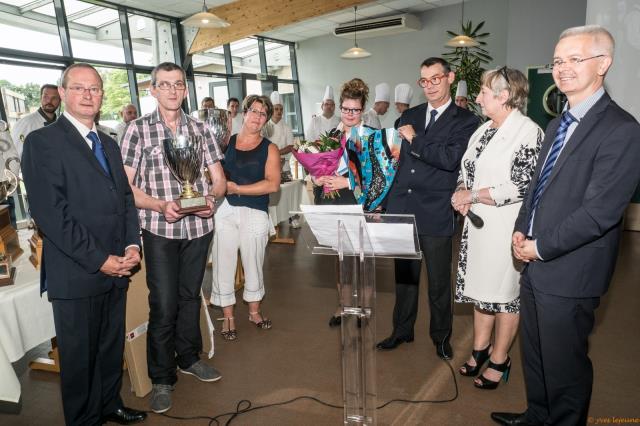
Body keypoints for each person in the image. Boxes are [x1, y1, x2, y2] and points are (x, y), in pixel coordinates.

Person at [491, 25, 640, 426]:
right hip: (536, 261)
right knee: (536, 354)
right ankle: (537, 416)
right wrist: (521, 230)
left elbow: (599, 213)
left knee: (565, 366)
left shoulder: (622, 130)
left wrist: (539, 247)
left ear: (603, 64)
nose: (562, 69)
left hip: (572, 269)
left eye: (575, 59)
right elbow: (537, 188)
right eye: (558, 61)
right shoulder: (558, 124)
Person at [21, 63, 146, 426]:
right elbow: (51, 214)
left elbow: (123, 199)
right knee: (79, 359)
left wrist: (131, 246)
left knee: (110, 348)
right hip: (77, 271)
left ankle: (110, 404)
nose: (89, 95)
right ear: (62, 94)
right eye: (79, 88)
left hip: (117, 266)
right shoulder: (42, 143)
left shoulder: (107, 141)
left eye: (95, 89)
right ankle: (84, 419)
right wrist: (99, 259)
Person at [120, 62, 226, 414]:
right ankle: (162, 377)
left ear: (185, 89)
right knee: (164, 303)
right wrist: (160, 205)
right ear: (152, 90)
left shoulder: (201, 129)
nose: (171, 90)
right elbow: (127, 186)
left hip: (198, 228)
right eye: (163, 85)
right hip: (159, 229)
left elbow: (219, 178)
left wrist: (213, 199)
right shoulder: (137, 131)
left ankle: (189, 357)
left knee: (190, 297)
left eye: (178, 84)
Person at [378, 57, 479, 359]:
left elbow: (450, 159)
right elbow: (397, 160)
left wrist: (414, 138)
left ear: (450, 77)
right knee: (405, 277)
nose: (430, 85)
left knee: (438, 282)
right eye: (424, 80)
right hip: (403, 207)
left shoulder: (466, 121)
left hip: (435, 209)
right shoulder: (409, 115)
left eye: (436, 78)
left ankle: (441, 337)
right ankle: (402, 330)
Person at [450, 67, 542, 390]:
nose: (477, 98)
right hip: (477, 227)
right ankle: (480, 349)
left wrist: (471, 195)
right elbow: (467, 168)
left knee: (505, 296)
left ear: (504, 97)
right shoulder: (484, 129)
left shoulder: (528, 132)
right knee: (482, 292)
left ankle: (500, 359)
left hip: (506, 228)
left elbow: (521, 184)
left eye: (484, 93)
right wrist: (461, 190)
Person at [210, 94, 280, 340]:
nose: (257, 116)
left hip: (255, 209)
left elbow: (272, 185)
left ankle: (254, 311)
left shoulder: (269, 148)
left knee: (253, 261)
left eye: (263, 114)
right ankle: (228, 315)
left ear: (266, 120)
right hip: (225, 209)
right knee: (223, 261)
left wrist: (238, 188)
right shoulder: (224, 142)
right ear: (244, 113)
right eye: (254, 110)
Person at [12, 83, 60, 157]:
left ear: (60, 101)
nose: (49, 101)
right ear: (41, 98)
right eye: (46, 97)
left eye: (55, 98)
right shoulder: (26, 123)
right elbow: (15, 155)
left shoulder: (60, 125)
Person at [263, 91, 294, 174]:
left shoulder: (287, 127)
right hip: (268, 165)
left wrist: (277, 153)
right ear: (271, 110)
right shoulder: (264, 126)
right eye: (276, 109)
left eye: (281, 109)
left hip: (285, 166)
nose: (279, 111)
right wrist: (275, 155)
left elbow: (291, 146)